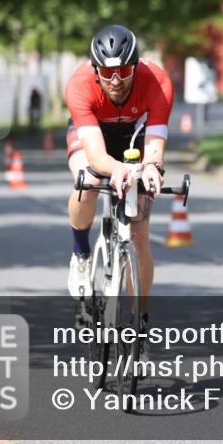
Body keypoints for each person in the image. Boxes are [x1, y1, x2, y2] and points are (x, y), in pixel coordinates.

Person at [64, 25, 174, 333]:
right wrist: (114, 170)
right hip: (94, 137)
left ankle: (139, 324)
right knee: (86, 181)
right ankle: (81, 253)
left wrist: (152, 168)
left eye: (124, 71)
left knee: (139, 231)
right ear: (95, 68)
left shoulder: (158, 81)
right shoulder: (80, 85)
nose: (115, 80)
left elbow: (154, 146)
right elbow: (98, 157)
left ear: (136, 66)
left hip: (134, 138)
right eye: (107, 71)